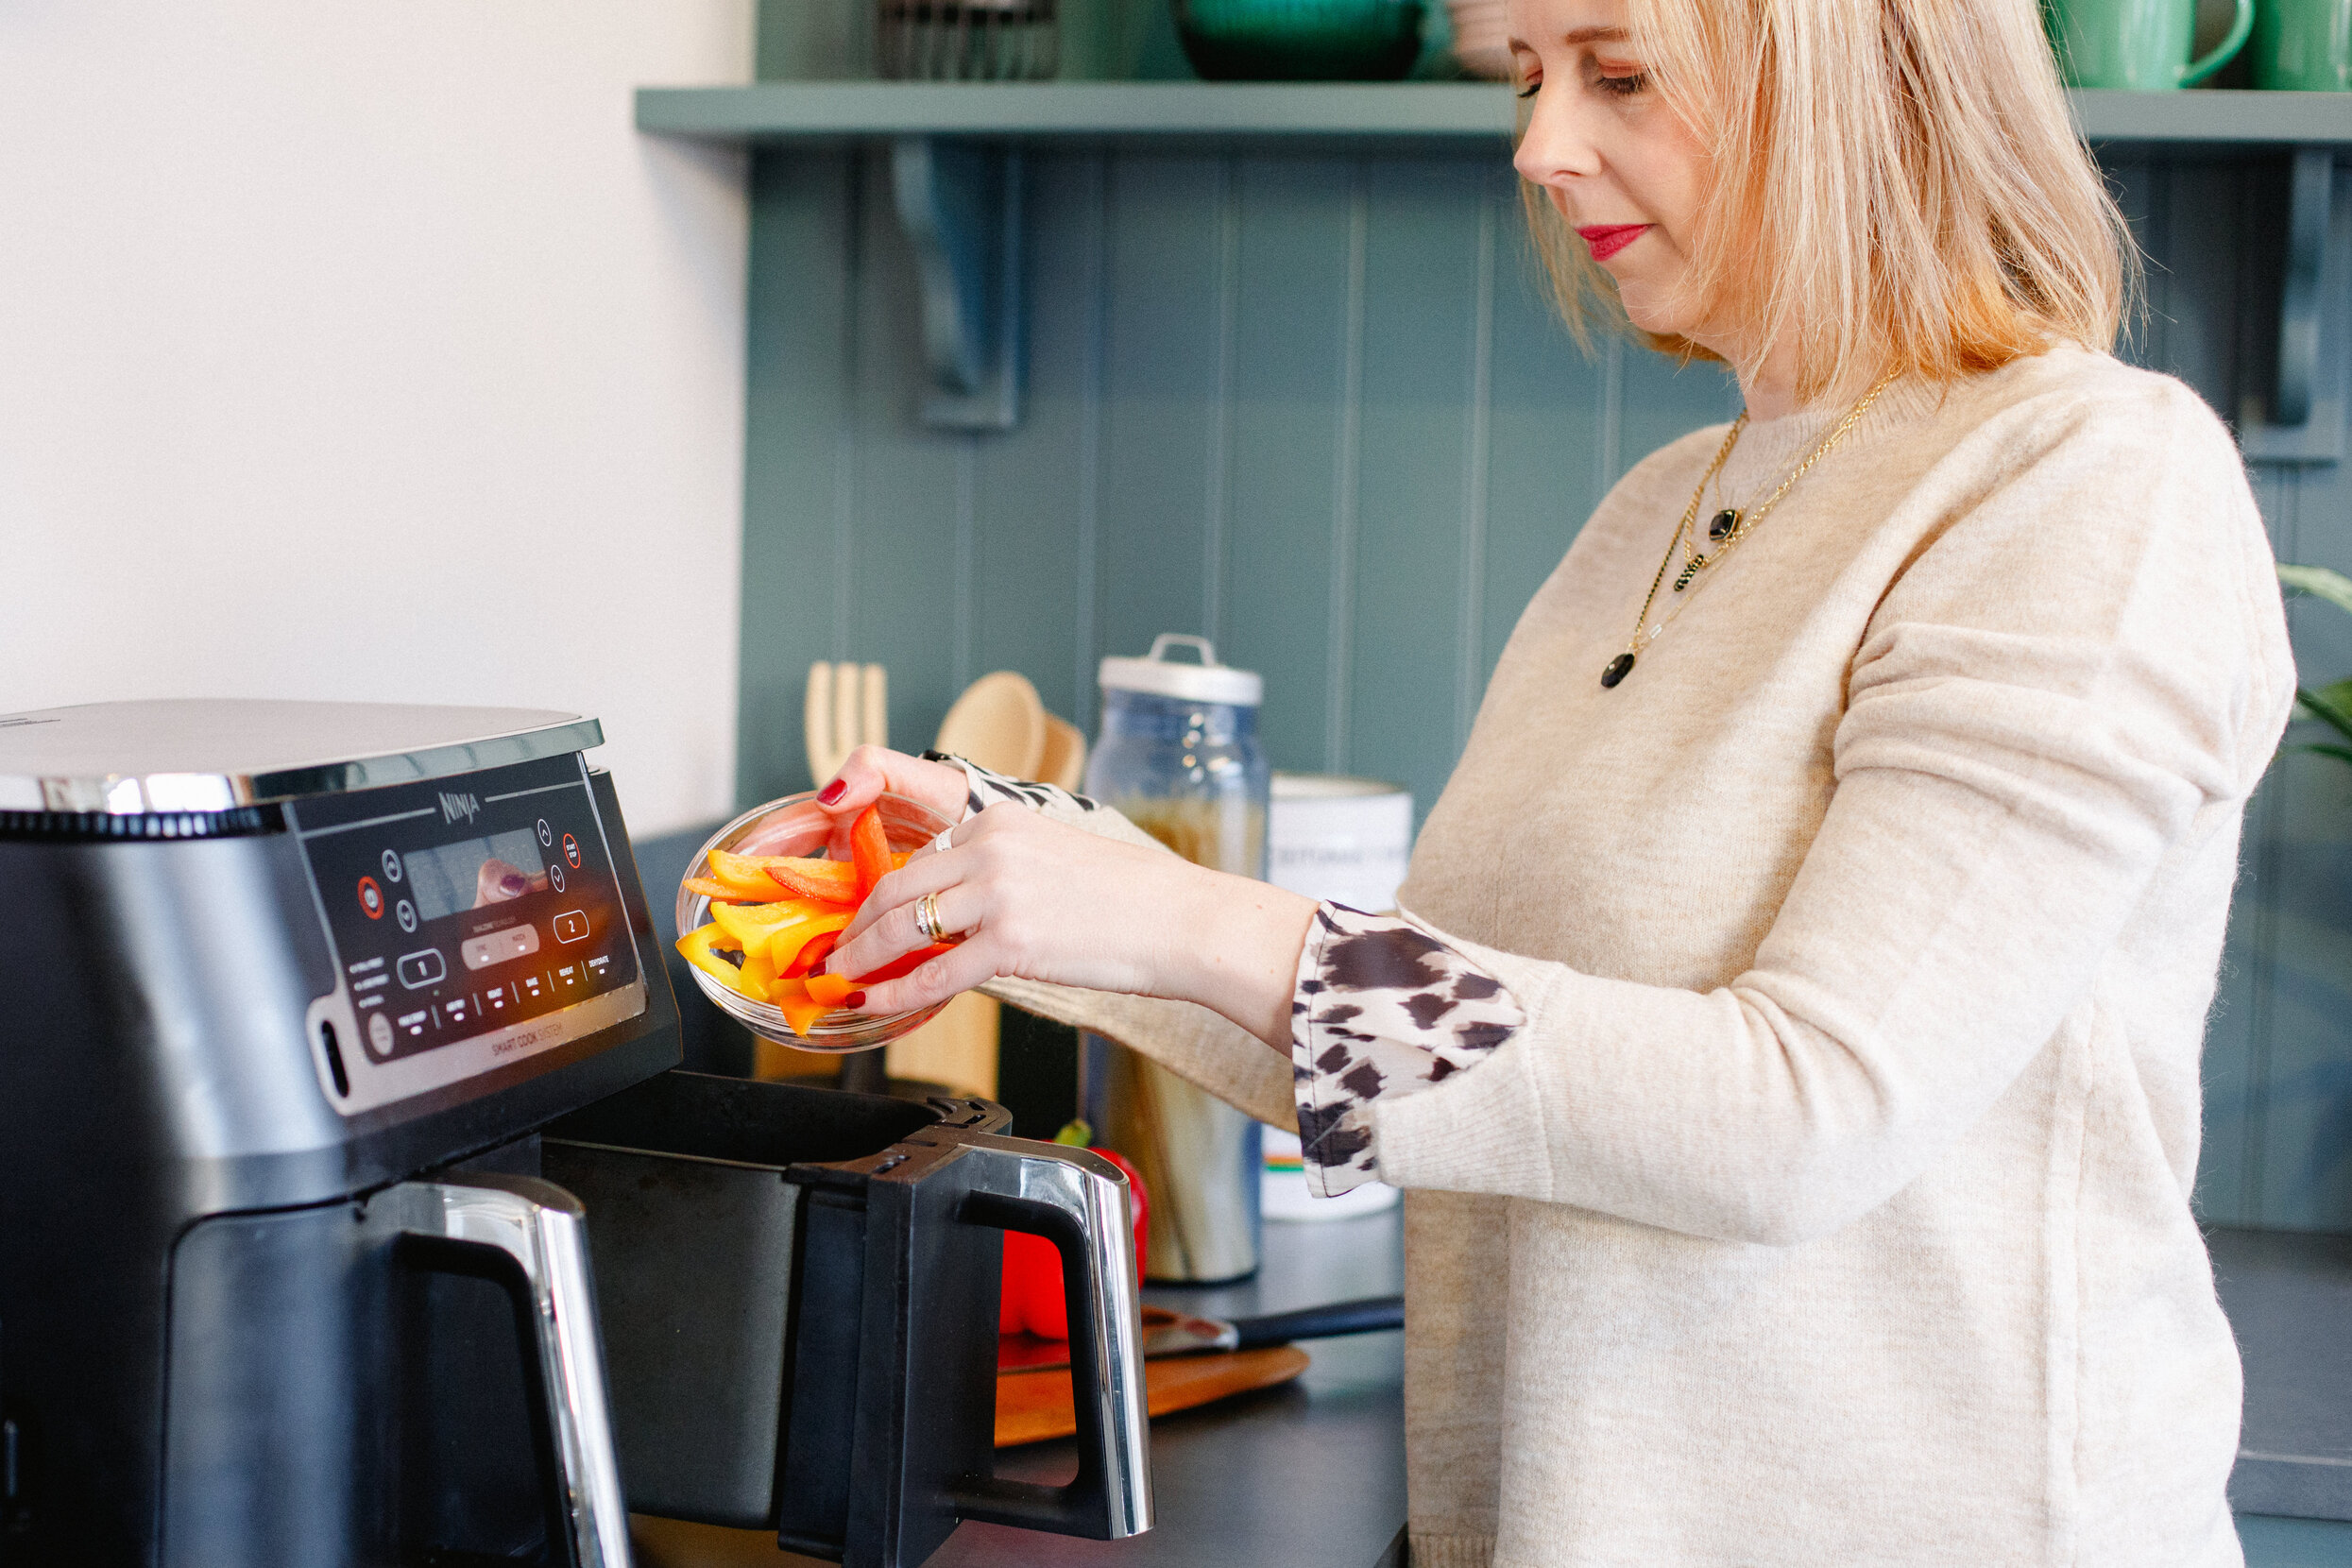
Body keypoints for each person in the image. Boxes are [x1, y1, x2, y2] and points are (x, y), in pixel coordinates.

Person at [810, 0, 2293, 1560]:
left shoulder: (2086, 480)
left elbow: (1804, 1113)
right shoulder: (1662, 505)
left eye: (1621, 74)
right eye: (1527, 78)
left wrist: (1177, 922)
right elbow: (1436, 1034)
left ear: (1849, 67)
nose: (1537, 145)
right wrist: (1037, 890)